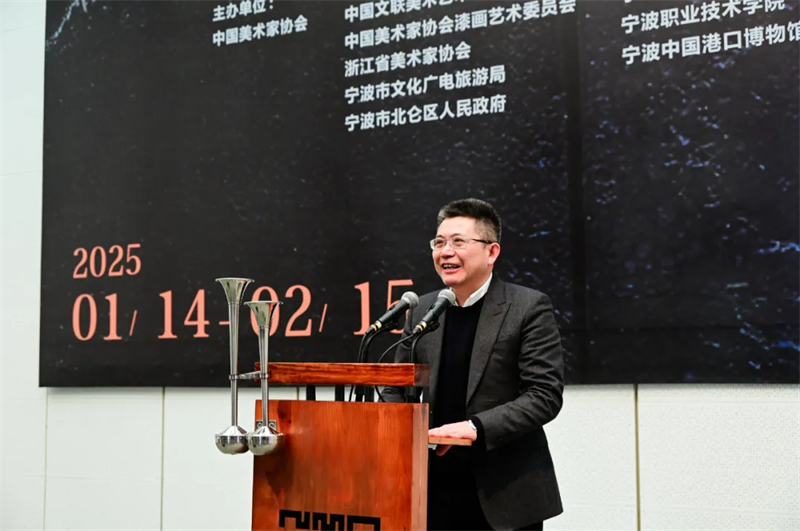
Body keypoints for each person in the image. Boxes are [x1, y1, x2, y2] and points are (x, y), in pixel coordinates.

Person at [382, 198, 565, 531]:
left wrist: (475, 427)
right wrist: (394, 428)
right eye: (439, 242)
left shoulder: (527, 307)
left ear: (491, 252)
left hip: (505, 492)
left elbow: (544, 395)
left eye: (458, 242)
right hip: (432, 489)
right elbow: (397, 386)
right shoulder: (422, 310)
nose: (445, 252)